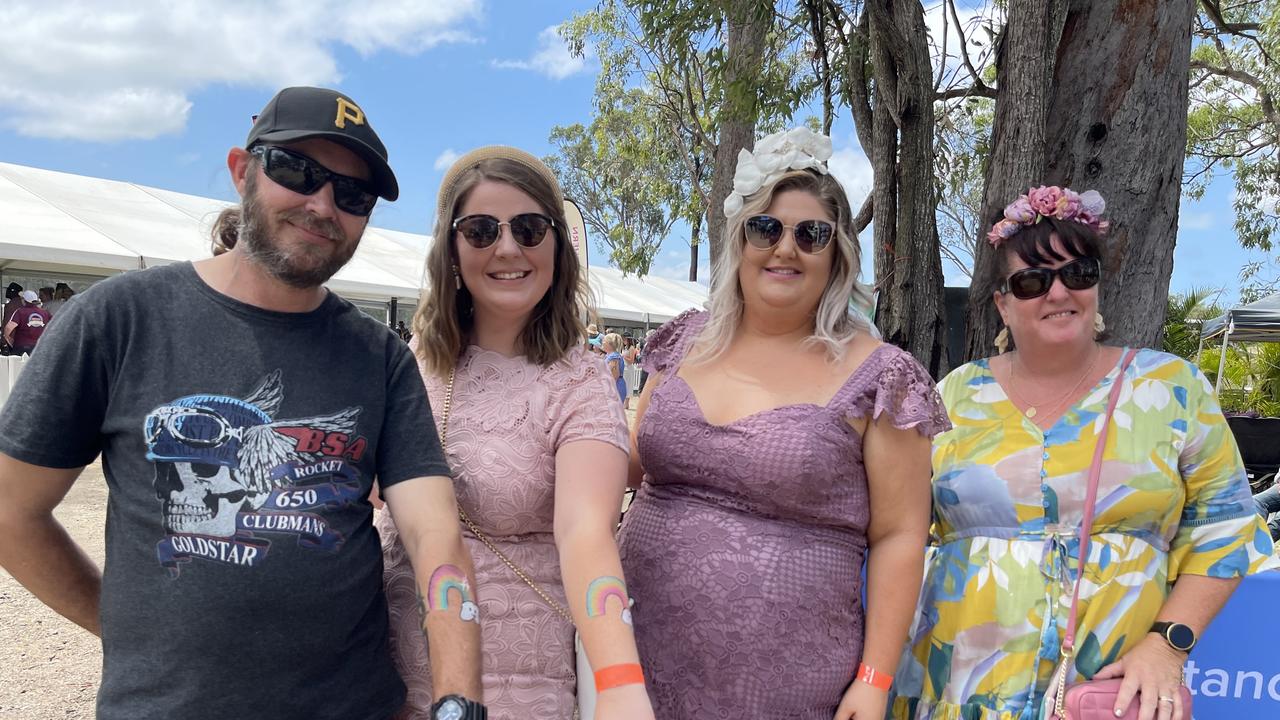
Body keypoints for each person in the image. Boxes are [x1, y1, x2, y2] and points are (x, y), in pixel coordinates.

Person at [0, 86, 486, 720]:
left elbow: (434, 534)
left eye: (353, 194)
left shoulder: (380, 358)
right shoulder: (118, 320)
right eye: (297, 170)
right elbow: (11, 512)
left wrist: (458, 704)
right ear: (241, 170)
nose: (322, 205)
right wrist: (120, 626)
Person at [889, 186, 1276, 720]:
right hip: (955, 685)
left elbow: (1224, 529)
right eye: (1032, 281)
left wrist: (1168, 644)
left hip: (1109, 688)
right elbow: (898, 530)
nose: (1057, 293)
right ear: (1003, 303)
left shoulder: (1170, 387)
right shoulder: (955, 393)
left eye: (1077, 273)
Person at [617, 127, 949, 719]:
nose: (785, 248)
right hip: (631, 654)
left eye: (810, 234)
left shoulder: (883, 377)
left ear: (837, 253)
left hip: (784, 685)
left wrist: (875, 679)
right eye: (765, 228)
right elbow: (629, 465)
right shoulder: (683, 340)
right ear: (738, 240)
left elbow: (900, 536)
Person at [376, 146, 655, 720]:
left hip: (515, 678)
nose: (507, 248)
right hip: (385, 665)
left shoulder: (581, 382)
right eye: (480, 230)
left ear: (557, 245)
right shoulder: (414, 363)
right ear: (452, 250)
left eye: (529, 229)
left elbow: (586, 533)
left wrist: (622, 682)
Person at [4, 290, 52, 355]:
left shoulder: (20, 312)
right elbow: (55, 327)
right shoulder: (45, 313)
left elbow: (8, 329)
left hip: (21, 347)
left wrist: (10, 341)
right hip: (39, 348)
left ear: (24, 300)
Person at [602, 332, 628, 409]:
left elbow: (615, 375)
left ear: (609, 344)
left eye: (604, 341)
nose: (602, 343)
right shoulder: (610, 355)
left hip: (615, 387)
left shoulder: (614, 357)